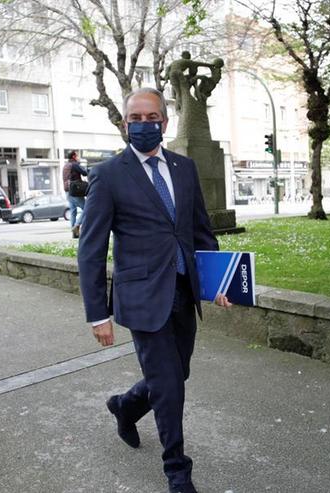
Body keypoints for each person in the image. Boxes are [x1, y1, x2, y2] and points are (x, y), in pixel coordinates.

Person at [77, 87, 231, 493]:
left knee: (176, 374)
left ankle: (125, 406)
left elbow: (200, 231)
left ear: (164, 121)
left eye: (151, 117)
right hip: (142, 297)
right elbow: (91, 249)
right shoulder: (108, 174)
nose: (143, 124)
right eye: (135, 118)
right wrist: (98, 313)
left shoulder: (184, 168)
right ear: (125, 123)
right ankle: (177, 471)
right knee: (167, 386)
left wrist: (215, 283)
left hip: (183, 292)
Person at [62, 150, 88, 238]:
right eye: (77, 156)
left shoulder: (65, 165)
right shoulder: (74, 164)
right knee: (87, 209)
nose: (78, 157)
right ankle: (76, 226)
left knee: (73, 211)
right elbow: (85, 173)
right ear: (73, 156)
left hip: (67, 191)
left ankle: (74, 234)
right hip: (75, 191)